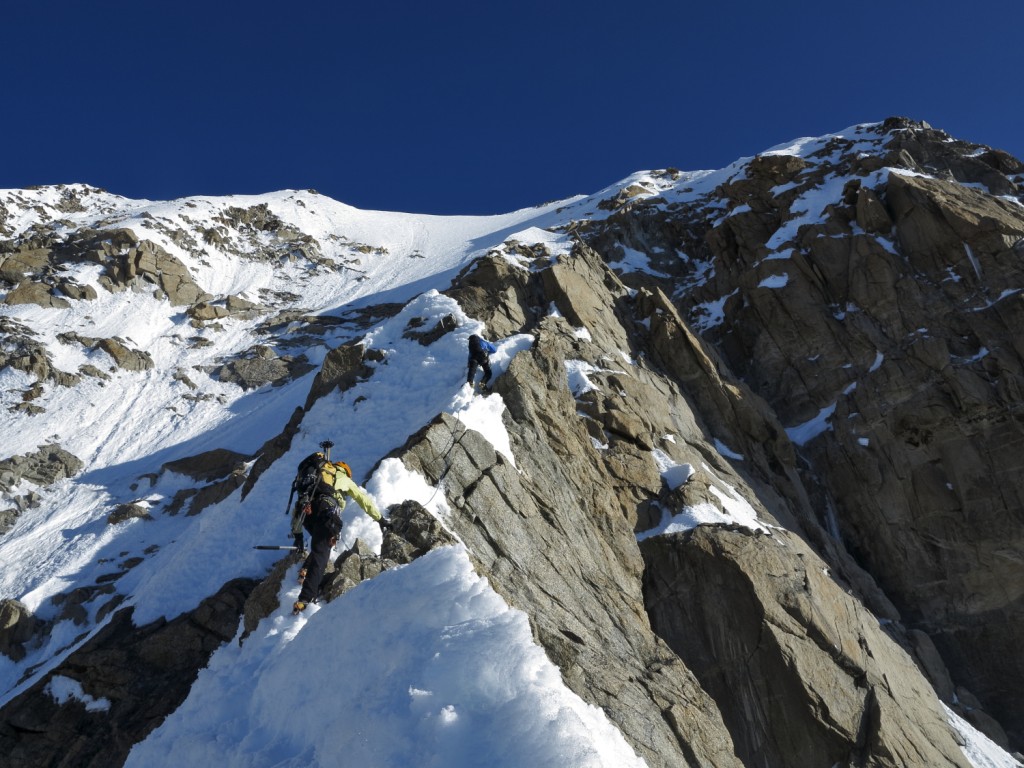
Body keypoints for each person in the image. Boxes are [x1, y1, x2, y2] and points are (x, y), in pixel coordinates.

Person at [292, 459, 384, 614]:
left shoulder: (314, 480)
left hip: (308, 514)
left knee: (319, 544)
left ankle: (306, 569)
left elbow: (298, 511)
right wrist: (380, 519)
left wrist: (298, 536)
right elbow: (363, 500)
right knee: (322, 555)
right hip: (326, 511)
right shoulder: (343, 478)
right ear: (345, 471)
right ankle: (304, 599)